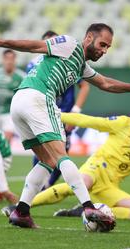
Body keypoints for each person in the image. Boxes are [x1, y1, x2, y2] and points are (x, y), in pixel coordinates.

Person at [0, 22, 130, 229]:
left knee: (48, 160)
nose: (104, 50)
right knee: (61, 156)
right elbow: (35, 45)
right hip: (38, 97)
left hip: (20, 102)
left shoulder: (80, 65)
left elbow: (105, 83)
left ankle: (21, 211)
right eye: (102, 44)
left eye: (108, 48)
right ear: (88, 38)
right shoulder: (69, 44)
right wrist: (1, 42)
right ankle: (88, 206)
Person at [13, 100, 130, 219]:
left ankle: (90, 211)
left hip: (109, 186)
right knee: (82, 182)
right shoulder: (124, 123)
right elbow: (90, 121)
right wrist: (58, 116)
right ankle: (23, 205)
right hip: (95, 169)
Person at [27, 30, 90, 188]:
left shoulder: (69, 60)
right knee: (43, 148)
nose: (51, 47)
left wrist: (75, 112)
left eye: (54, 42)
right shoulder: (34, 64)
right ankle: (41, 186)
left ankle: (47, 186)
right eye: (47, 43)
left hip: (64, 113)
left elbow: (84, 86)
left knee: (62, 152)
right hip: (43, 111)